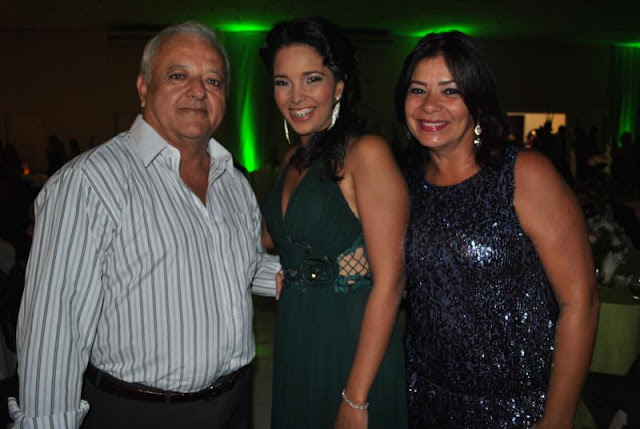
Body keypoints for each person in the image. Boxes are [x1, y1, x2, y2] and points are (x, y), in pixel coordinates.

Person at [8, 21, 278, 428]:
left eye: (213, 80)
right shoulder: (91, 181)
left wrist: (317, 276)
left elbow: (242, 265)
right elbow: (54, 327)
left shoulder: (233, 182)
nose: (198, 91)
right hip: (140, 412)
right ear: (143, 87)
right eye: (178, 75)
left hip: (234, 403)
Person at [395, 31, 600, 428]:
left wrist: (557, 419)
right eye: (417, 90)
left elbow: (582, 303)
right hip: (424, 397)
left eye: (450, 90)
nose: (430, 105)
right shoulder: (404, 185)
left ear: (476, 101)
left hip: (517, 408)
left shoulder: (523, 174)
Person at [260, 17, 408, 428]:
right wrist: (291, 267)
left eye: (312, 79)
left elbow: (392, 279)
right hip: (296, 331)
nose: (296, 96)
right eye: (283, 82)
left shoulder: (365, 153)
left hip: (350, 343)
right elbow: (273, 240)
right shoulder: (291, 161)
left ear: (339, 85)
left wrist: (356, 398)